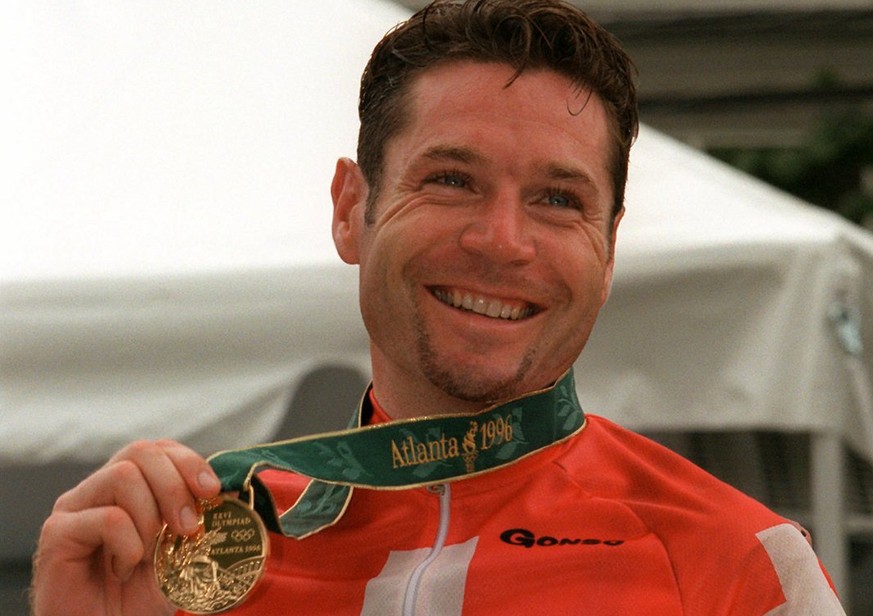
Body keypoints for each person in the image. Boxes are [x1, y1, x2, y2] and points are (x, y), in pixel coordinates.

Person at [30, 1, 846, 614]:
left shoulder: (732, 563)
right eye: (451, 179)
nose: (502, 241)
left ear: (608, 245)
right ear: (352, 209)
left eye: (558, 199)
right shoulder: (197, 554)